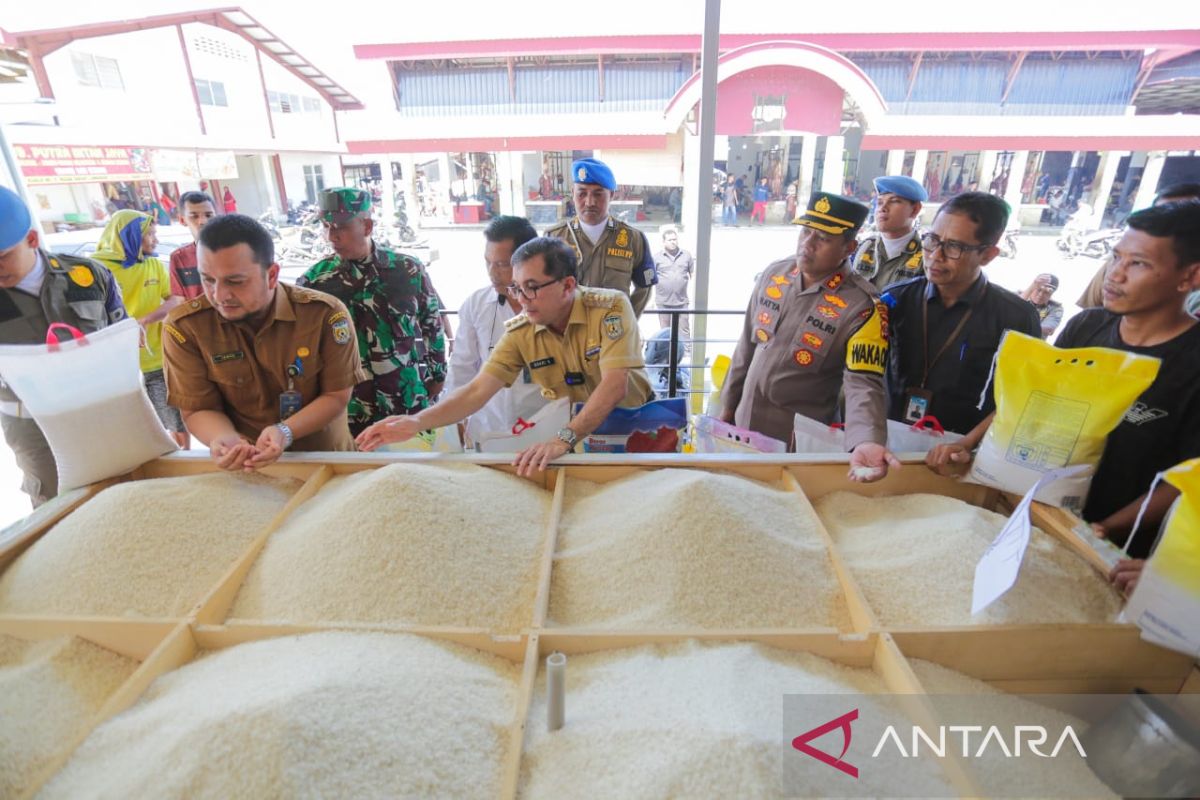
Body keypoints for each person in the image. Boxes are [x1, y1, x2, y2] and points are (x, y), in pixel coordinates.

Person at [927, 202, 1200, 558]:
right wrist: (969, 443)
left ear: (1190, 277)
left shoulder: (1192, 362)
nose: (1115, 275)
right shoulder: (1086, 327)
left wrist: (1104, 528)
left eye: (1139, 264)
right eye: (1116, 258)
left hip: (1117, 545)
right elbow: (1034, 398)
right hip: (1043, 516)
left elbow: (1185, 479)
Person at [356, 237, 652, 476]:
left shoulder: (610, 307)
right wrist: (417, 422)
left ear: (568, 285)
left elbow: (615, 384)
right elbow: (476, 390)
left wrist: (563, 439)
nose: (522, 300)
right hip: (580, 436)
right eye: (517, 288)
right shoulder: (522, 330)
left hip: (633, 428)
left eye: (532, 288)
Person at [163, 214, 366, 471]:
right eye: (208, 280)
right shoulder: (185, 328)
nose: (219, 295)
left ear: (271, 275)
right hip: (250, 471)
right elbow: (197, 408)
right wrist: (224, 439)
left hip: (326, 463)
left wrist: (285, 431)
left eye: (235, 282)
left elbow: (336, 396)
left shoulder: (324, 315)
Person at [721, 192, 898, 482]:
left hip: (794, 446)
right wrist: (725, 409)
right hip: (742, 429)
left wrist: (866, 438)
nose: (807, 244)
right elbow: (746, 349)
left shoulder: (863, 306)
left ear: (848, 247)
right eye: (805, 231)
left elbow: (863, 382)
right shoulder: (775, 274)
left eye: (823, 238)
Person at [0, 186, 127, 506]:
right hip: (34, 431)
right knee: (56, 512)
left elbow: (120, 337)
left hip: (104, 415)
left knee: (125, 493)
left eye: (2, 257)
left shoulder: (88, 276)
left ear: (32, 240)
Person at [883, 192, 1041, 435]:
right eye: (932, 240)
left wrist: (968, 445)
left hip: (962, 448)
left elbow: (1020, 398)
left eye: (954, 247)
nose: (936, 256)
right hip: (888, 437)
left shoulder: (1015, 317)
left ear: (988, 255)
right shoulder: (895, 299)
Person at [297, 188, 446, 437]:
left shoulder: (407, 270)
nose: (331, 236)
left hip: (406, 402)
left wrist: (438, 375)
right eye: (326, 226)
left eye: (341, 227)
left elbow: (432, 324)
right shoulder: (315, 282)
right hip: (349, 411)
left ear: (366, 226)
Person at [442, 215, 546, 446]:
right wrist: (454, 421)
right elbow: (461, 368)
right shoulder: (476, 305)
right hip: (487, 430)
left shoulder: (553, 305)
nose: (492, 272)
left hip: (544, 431)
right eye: (487, 262)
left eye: (501, 264)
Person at [91, 210, 188, 448]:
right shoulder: (96, 268)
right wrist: (124, 330)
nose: (156, 240)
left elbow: (175, 300)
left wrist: (144, 321)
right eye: (150, 234)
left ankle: (183, 461)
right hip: (119, 364)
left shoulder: (154, 264)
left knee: (175, 420)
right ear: (129, 235)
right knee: (136, 425)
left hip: (157, 357)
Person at [544, 158, 656, 317]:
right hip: (568, 335)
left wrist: (626, 322)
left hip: (613, 336)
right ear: (573, 194)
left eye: (598, 194)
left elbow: (645, 287)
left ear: (611, 195)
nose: (589, 202)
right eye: (582, 193)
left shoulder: (632, 239)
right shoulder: (554, 238)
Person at [1077, 183, 1200, 309]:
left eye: (1139, 263)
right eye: (1158, 214)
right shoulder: (1118, 262)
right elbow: (1090, 308)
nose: (1115, 276)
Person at [852, 175, 928, 290]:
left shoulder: (927, 257)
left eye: (894, 201)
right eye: (880, 202)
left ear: (915, 209)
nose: (883, 208)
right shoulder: (864, 247)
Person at [168, 191, 218, 301]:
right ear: (182, 220)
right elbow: (180, 300)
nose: (203, 221)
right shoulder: (178, 258)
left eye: (209, 215)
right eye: (194, 216)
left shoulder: (234, 251)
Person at [653, 226, 694, 353]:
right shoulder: (656, 258)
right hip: (663, 302)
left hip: (681, 302)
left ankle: (687, 353)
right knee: (665, 331)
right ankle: (666, 353)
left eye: (675, 239)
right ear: (664, 242)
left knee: (684, 329)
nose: (673, 242)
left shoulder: (686, 255)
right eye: (670, 240)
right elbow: (649, 278)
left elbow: (693, 274)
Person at [1019, 273, 1063, 338]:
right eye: (1039, 290)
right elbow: (1009, 310)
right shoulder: (1019, 295)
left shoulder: (1055, 308)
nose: (1041, 294)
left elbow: (1048, 329)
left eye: (1046, 292)